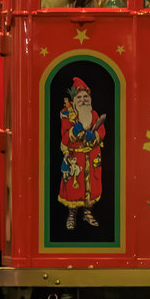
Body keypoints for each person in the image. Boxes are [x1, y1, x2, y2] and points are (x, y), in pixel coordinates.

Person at [58, 77, 106, 230]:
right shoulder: (67, 115)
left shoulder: (94, 114)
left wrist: (95, 137)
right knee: (73, 188)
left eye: (86, 97)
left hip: (92, 157)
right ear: (74, 100)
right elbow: (65, 138)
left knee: (92, 186)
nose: (83, 100)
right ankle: (71, 215)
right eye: (79, 97)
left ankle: (88, 213)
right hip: (75, 158)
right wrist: (75, 131)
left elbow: (102, 131)